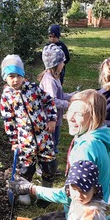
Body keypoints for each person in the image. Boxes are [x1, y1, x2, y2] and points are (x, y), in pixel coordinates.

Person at [7, 89, 110, 220]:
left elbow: (70, 194)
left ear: (94, 117)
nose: (70, 118)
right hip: (75, 210)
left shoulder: (87, 149)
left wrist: (31, 189)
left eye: (78, 114)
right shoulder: (96, 136)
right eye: (69, 111)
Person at [0, 54, 58, 205]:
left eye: (19, 75)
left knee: (49, 165)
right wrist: (14, 141)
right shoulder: (7, 97)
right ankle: (24, 191)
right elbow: (9, 121)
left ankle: (46, 193)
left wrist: (52, 119)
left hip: (44, 136)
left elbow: (49, 101)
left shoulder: (33, 88)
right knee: (26, 167)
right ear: (5, 77)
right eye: (11, 76)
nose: (15, 80)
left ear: (23, 75)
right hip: (25, 140)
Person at [38, 43, 73, 173]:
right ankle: (44, 169)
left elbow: (59, 96)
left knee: (54, 143)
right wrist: (68, 104)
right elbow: (52, 101)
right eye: (62, 62)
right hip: (49, 120)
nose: (63, 64)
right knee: (49, 144)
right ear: (55, 64)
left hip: (55, 119)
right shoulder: (49, 81)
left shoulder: (54, 78)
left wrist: (70, 96)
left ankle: (50, 167)